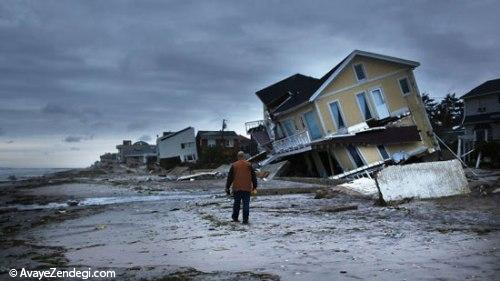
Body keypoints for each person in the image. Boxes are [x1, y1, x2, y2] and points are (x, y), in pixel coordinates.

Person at [225, 151, 257, 224]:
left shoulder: (234, 165)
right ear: (244, 157)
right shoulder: (249, 165)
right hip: (247, 188)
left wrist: (227, 187)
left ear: (238, 157)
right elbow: (253, 177)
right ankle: (245, 220)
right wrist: (254, 186)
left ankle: (235, 218)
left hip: (237, 188)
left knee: (236, 204)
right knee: (246, 204)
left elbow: (230, 178)